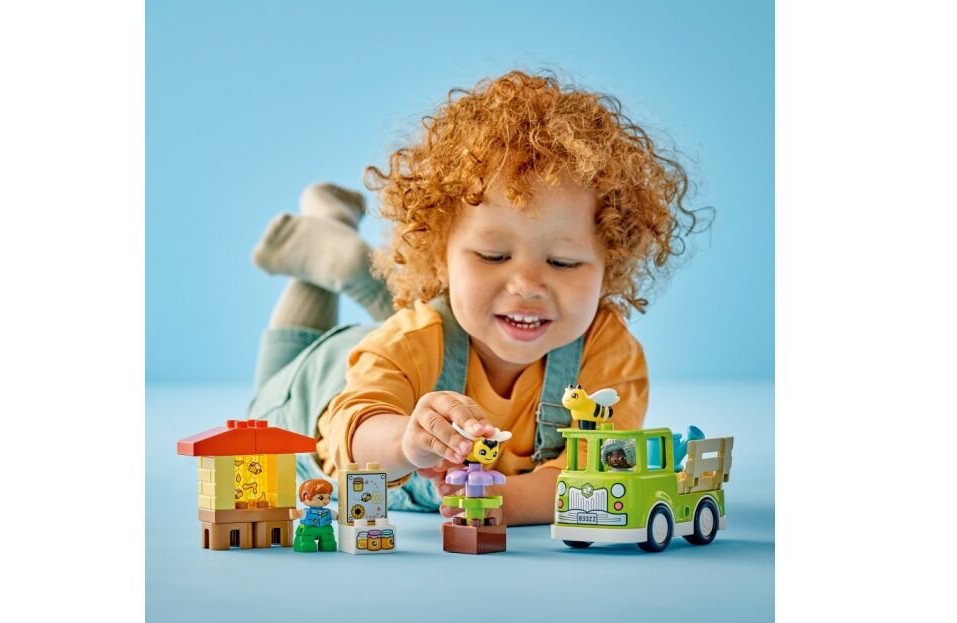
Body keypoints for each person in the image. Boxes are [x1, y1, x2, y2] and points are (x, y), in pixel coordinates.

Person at [247, 70, 704, 526]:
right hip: (307, 392)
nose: (527, 285)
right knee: (294, 368)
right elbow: (357, 434)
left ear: (610, 266)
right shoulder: (409, 341)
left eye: (563, 262)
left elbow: (594, 477)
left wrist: (504, 501)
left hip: (434, 342)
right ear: (439, 258)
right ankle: (332, 246)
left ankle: (347, 256)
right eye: (493, 256)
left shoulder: (607, 357)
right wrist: (407, 441)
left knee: (444, 326)